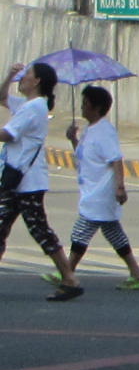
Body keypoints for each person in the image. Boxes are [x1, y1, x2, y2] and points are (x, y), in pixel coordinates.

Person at [0, 62, 79, 301]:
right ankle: (69, 278)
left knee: (39, 229)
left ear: (37, 82)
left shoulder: (34, 108)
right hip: (16, 179)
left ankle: (70, 279)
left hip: (27, 181)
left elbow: (7, 134)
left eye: (26, 75)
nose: (22, 79)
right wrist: (9, 76)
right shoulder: (29, 105)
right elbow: (2, 98)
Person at [61, 85, 139, 291]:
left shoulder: (104, 131)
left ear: (97, 107)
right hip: (91, 190)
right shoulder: (90, 129)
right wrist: (73, 140)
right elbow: (86, 157)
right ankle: (136, 273)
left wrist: (120, 187)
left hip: (101, 192)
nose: (82, 107)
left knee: (81, 232)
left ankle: (67, 271)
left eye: (86, 103)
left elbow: (116, 159)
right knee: (113, 233)